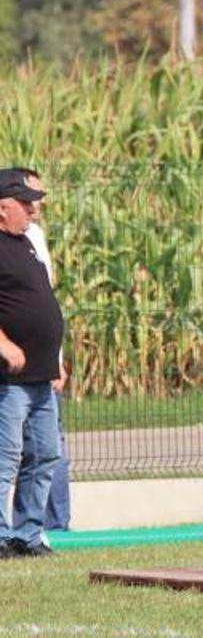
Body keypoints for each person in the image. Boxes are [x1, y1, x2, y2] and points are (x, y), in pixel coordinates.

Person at [0, 169, 63, 559]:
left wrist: (57, 359)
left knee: (44, 454)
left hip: (42, 375)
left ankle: (28, 535)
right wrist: (5, 346)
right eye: (25, 203)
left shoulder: (25, 244)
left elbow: (44, 305)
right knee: (5, 457)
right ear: (2, 207)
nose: (33, 210)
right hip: (11, 379)